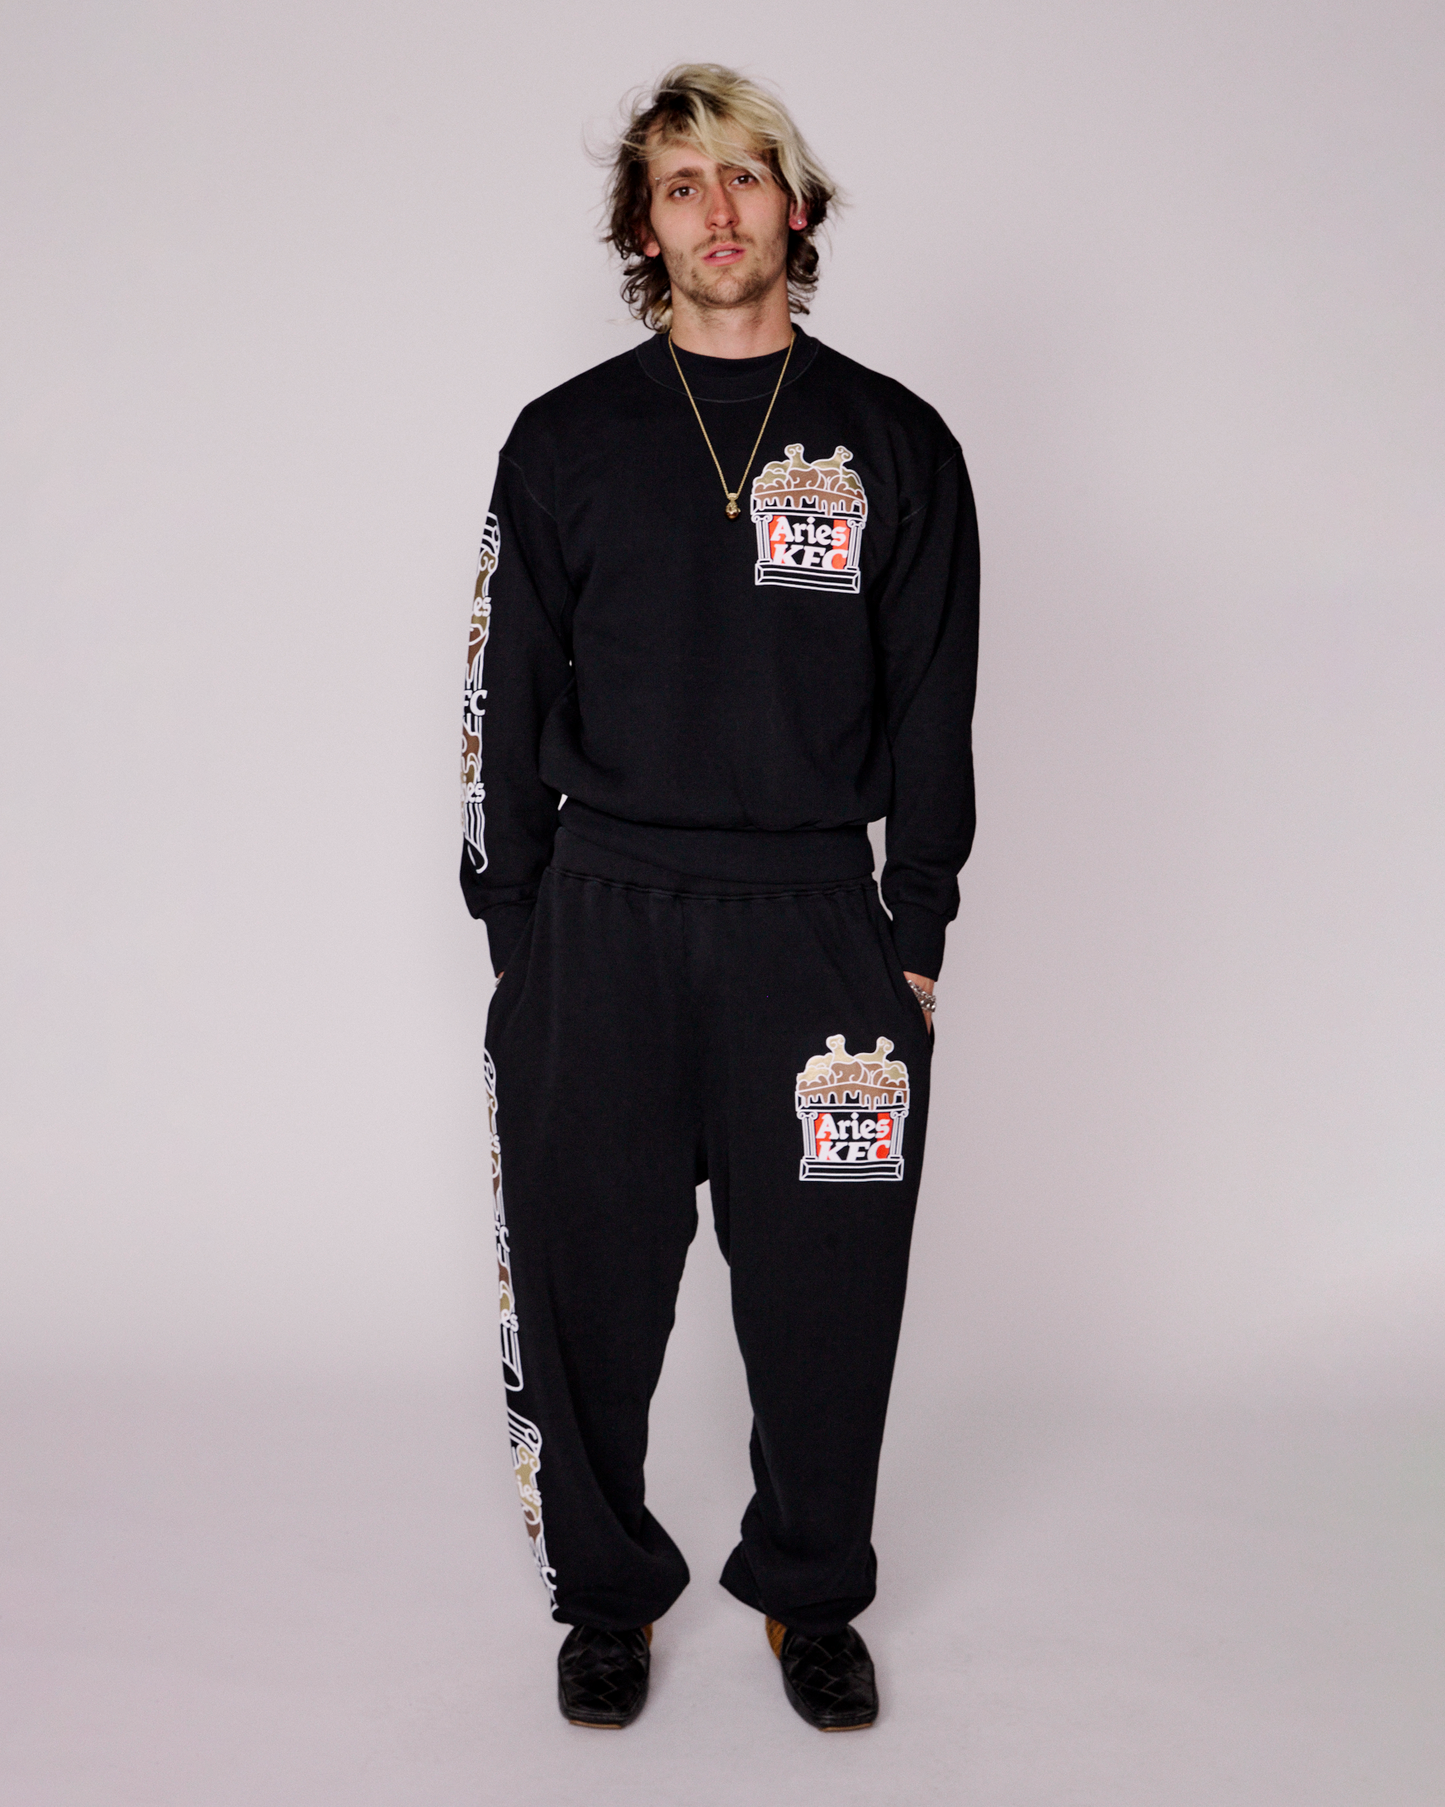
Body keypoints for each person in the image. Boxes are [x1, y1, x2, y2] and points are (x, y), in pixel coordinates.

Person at [460, 63, 979, 1732]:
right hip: (603, 918)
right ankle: (608, 1593)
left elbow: (936, 705)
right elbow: (499, 697)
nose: (718, 209)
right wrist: (520, 936)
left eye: (745, 175)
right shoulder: (564, 443)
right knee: (588, 1287)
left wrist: (914, 934)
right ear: (645, 228)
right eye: (681, 184)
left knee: (832, 1289)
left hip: (817, 933)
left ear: (795, 205)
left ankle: (811, 1591)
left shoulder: (897, 445)